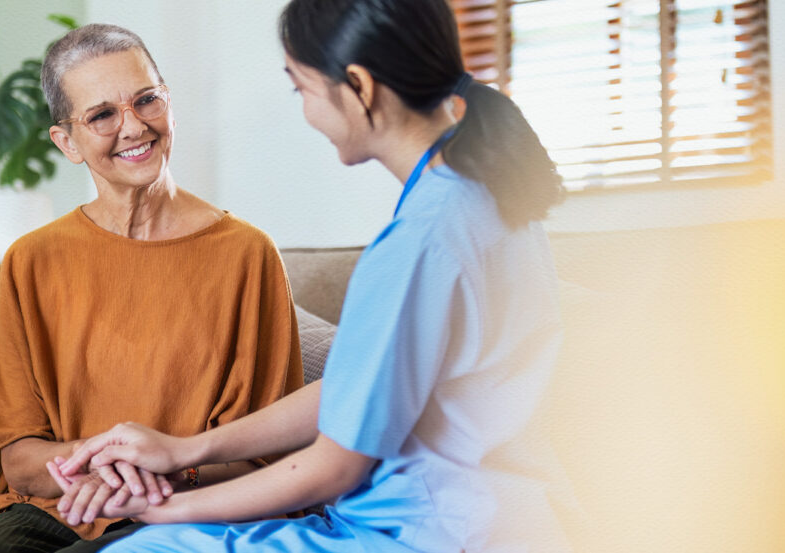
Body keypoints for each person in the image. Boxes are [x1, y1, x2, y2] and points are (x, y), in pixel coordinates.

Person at [50, 0, 566, 550]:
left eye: (302, 89)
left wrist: (160, 509)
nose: (306, 112)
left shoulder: (419, 245)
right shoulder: (491, 200)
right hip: (497, 515)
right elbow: (356, 388)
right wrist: (185, 450)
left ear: (359, 87)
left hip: (426, 531)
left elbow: (331, 469)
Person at [0, 23, 305, 553]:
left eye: (146, 101)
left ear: (169, 105)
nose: (134, 126)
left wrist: (152, 478)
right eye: (102, 115)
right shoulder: (31, 261)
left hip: (194, 507)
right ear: (67, 142)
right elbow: (19, 460)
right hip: (62, 507)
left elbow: (268, 458)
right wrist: (107, 470)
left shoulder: (247, 255)